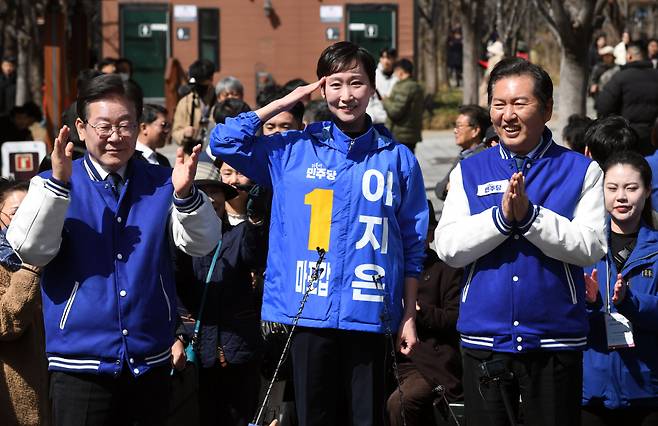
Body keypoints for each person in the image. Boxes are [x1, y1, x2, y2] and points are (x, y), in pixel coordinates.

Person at [210, 41, 428, 426]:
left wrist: (408, 314)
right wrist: (287, 100)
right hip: (308, 312)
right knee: (313, 417)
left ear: (373, 87)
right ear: (322, 89)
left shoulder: (397, 158)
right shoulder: (291, 149)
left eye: (357, 83)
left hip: (370, 311)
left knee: (366, 418)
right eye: (336, 84)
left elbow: (412, 243)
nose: (347, 96)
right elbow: (223, 141)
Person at [6, 73, 220, 425]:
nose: (115, 136)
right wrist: (58, 187)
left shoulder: (162, 181)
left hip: (150, 357)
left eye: (125, 125)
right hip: (79, 360)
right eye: (104, 126)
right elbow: (30, 251)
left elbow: (202, 244)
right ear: (81, 126)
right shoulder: (52, 181)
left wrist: (185, 196)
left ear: (138, 125)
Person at [436, 57, 607, 426]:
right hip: (485, 339)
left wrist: (531, 219)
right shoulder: (469, 170)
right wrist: (500, 220)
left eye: (519, 103)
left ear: (546, 109)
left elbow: (591, 246)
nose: (507, 115)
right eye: (499, 104)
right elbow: (447, 246)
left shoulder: (581, 170)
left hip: (555, 341)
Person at [175, 160, 266, 426]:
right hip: (194, 354)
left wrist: (257, 217)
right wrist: (176, 334)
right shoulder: (177, 240)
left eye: (215, 191)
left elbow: (256, 252)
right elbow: (170, 287)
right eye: (200, 192)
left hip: (238, 352)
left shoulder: (239, 235)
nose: (210, 198)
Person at [581, 150, 658, 425]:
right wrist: (587, 301)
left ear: (648, 190)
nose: (621, 197)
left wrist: (630, 301)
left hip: (646, 389)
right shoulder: (584, 246)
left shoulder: (656, 249)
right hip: (592, 390)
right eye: (612, 188)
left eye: (631, 188)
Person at [386, 200, 463, 426]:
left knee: (400, 402)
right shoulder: (388, 268)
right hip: (389, 361)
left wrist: (418, 310)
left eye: (419, 232)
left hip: (429, 365)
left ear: (430, 235)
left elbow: (455, 318)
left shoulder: (446, 270)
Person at [0, 180, 49, 426]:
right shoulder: (30, 263)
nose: (25, 220)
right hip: (15, 404)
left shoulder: (52, 254)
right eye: (16, 212)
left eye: (31, 212)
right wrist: (30, 268)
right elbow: (5, 324)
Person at [596, 42, 658, 155]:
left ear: (629, 56)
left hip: (626, 139)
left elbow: (603, 106)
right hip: (654, 139)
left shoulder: (620, 78)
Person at [435, 105, 491, 201]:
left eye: (459, 126)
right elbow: (440, 189)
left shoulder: (481, 158)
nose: (455, 130)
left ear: (475, 131)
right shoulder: (464, 154)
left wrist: (454, 186)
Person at [382, 58, 425, 153]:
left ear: (400, 71)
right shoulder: (416, 86)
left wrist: (386, 101)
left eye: (396, 71)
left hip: (400, 135)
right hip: (410, 134)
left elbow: (395, 112)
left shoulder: (405, 87)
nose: (395, 74)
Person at [172, 59, 217, 149]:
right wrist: (184, 133)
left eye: (202, 84)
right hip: (190, 154)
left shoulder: (219, 100)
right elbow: (175, 132)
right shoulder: (185, 102)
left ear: (211, 79)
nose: (199, 87)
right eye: (197, 84)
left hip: (214, 154)